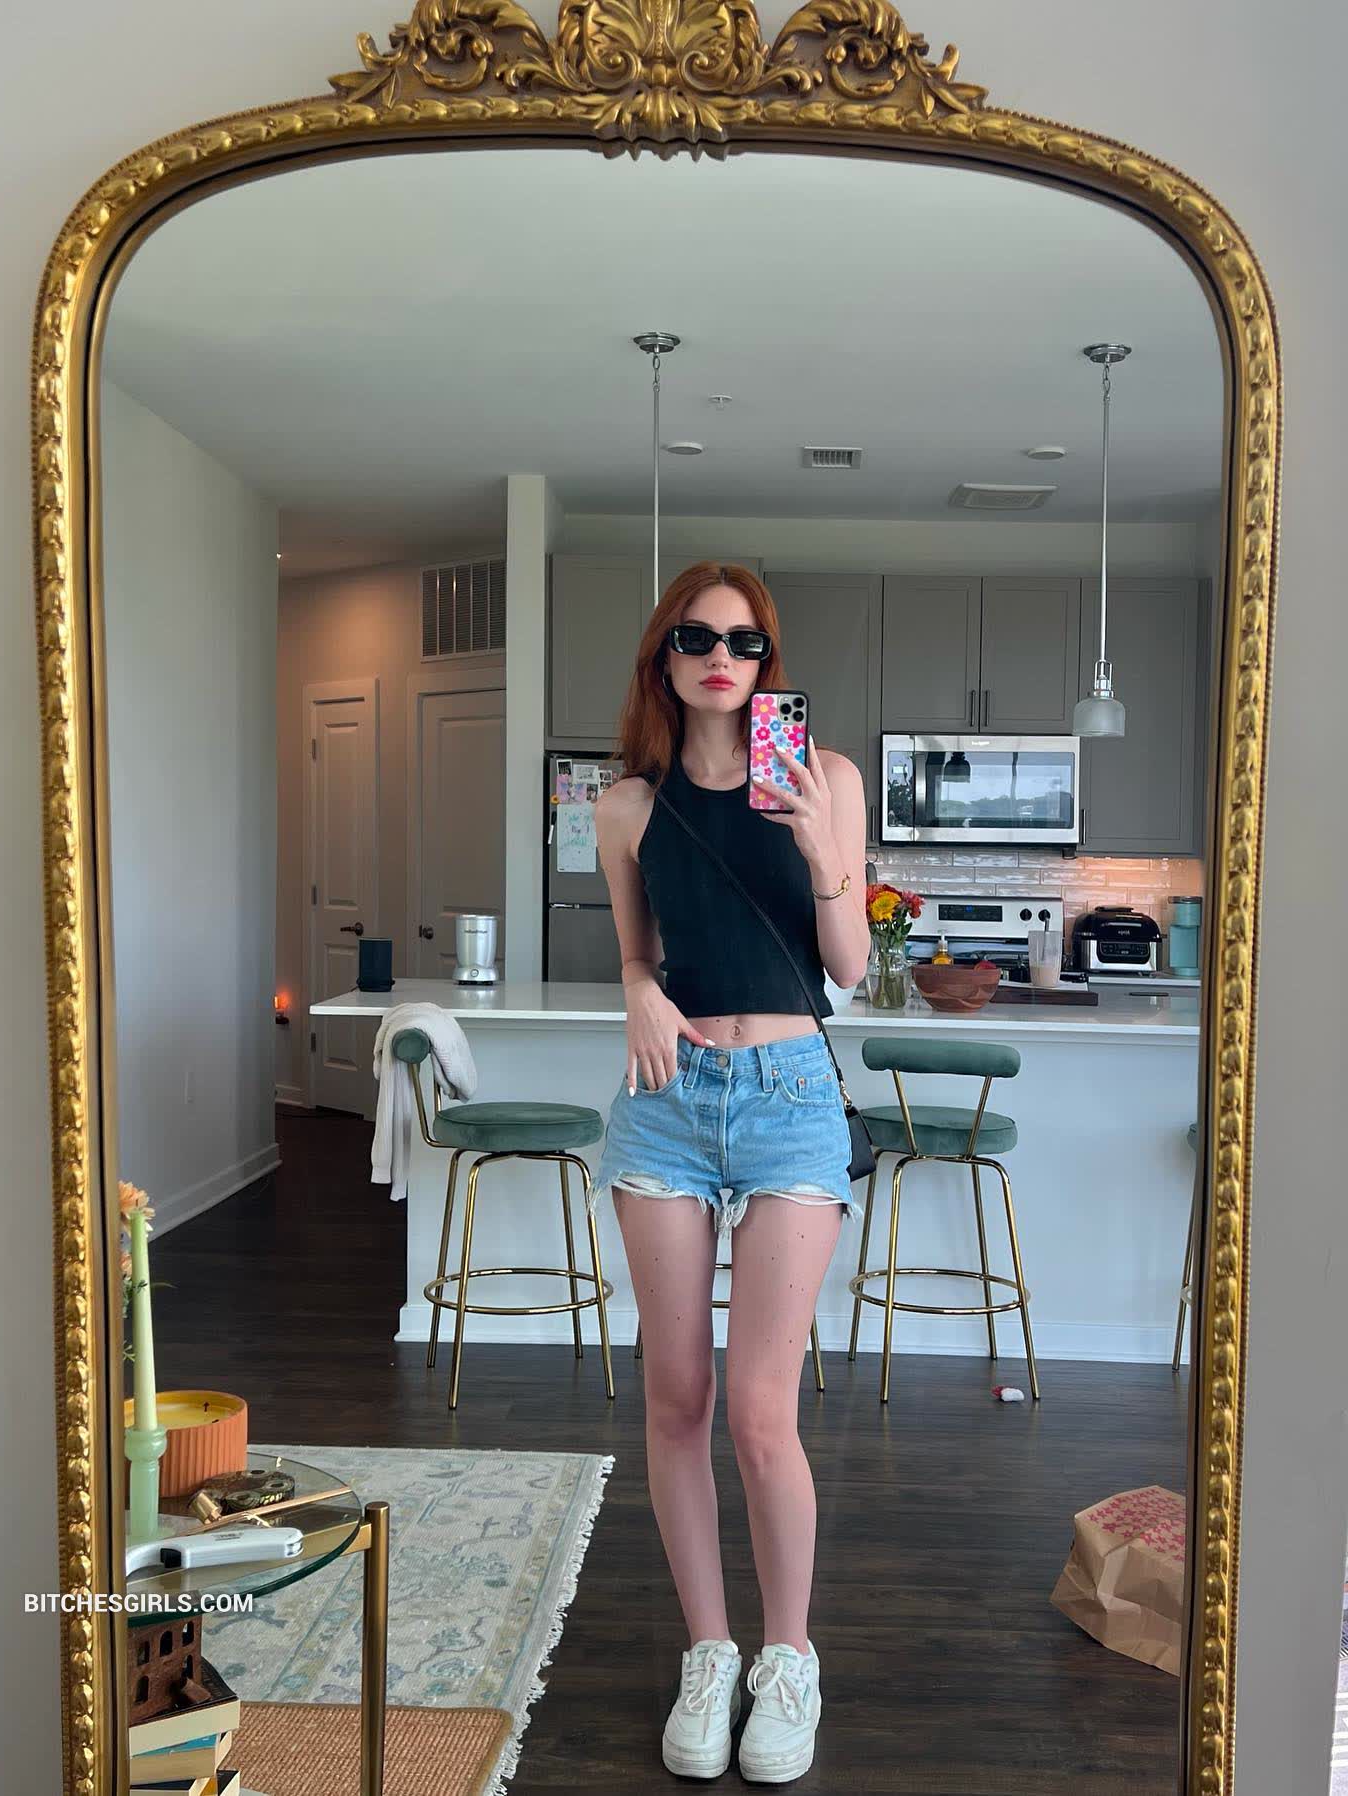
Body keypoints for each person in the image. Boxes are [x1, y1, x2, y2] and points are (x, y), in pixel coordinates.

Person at [590, 562, 870, 1784]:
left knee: (762, 1409)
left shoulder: (828, 777)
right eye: (697, 637)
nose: (722, 657)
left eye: (745, 641)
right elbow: (635, 955)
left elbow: (849, 964)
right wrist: (640, 993)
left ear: (768, 658)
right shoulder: (625, 806)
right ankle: (710, 1650)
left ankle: (787, 1657)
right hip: (666, 1104)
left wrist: (817, 845)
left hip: (792, 1097)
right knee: (677, 1397)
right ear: (664, 656)